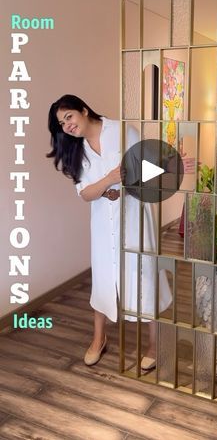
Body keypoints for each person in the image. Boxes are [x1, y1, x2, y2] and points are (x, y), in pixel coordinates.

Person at [47, 94, 172, 369]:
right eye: (61, 123)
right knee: (103, 277)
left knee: (145, 271)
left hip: (135, 216)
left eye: (69, 116)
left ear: (83, 109)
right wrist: (108, 182)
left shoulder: (122, 130)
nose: (67, 125)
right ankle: (98, 339)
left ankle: (154, 343)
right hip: (104, 223)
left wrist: (166, 166)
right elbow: (86, 193)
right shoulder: (76, 150)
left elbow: (151, 168)